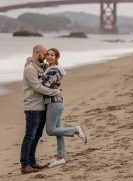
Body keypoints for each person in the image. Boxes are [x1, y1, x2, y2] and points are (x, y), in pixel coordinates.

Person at [29, 48, 87, 168]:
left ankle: (75, 130)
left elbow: (44, 85)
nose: (49, 57)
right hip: (55, 103)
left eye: (52, 55)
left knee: (50, 130)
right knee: (58, 131)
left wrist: (38, 73)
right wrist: (31, 61)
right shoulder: (49, 68)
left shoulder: (54, 70)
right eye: (48, 55)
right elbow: (41, 65)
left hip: (54, 103)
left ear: (57, 58)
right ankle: (61, 157)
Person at [20, 44, 62, 174]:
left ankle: (32, 162)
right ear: (38, 53)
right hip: (33, 107)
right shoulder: (29, 69)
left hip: (41, 107)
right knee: (29, 136)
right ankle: (25, 164)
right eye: (44, 54)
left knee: (37, 136)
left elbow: (52, 66)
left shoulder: (38, 66)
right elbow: (37, 87)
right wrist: (55, 92)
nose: (45, 58)